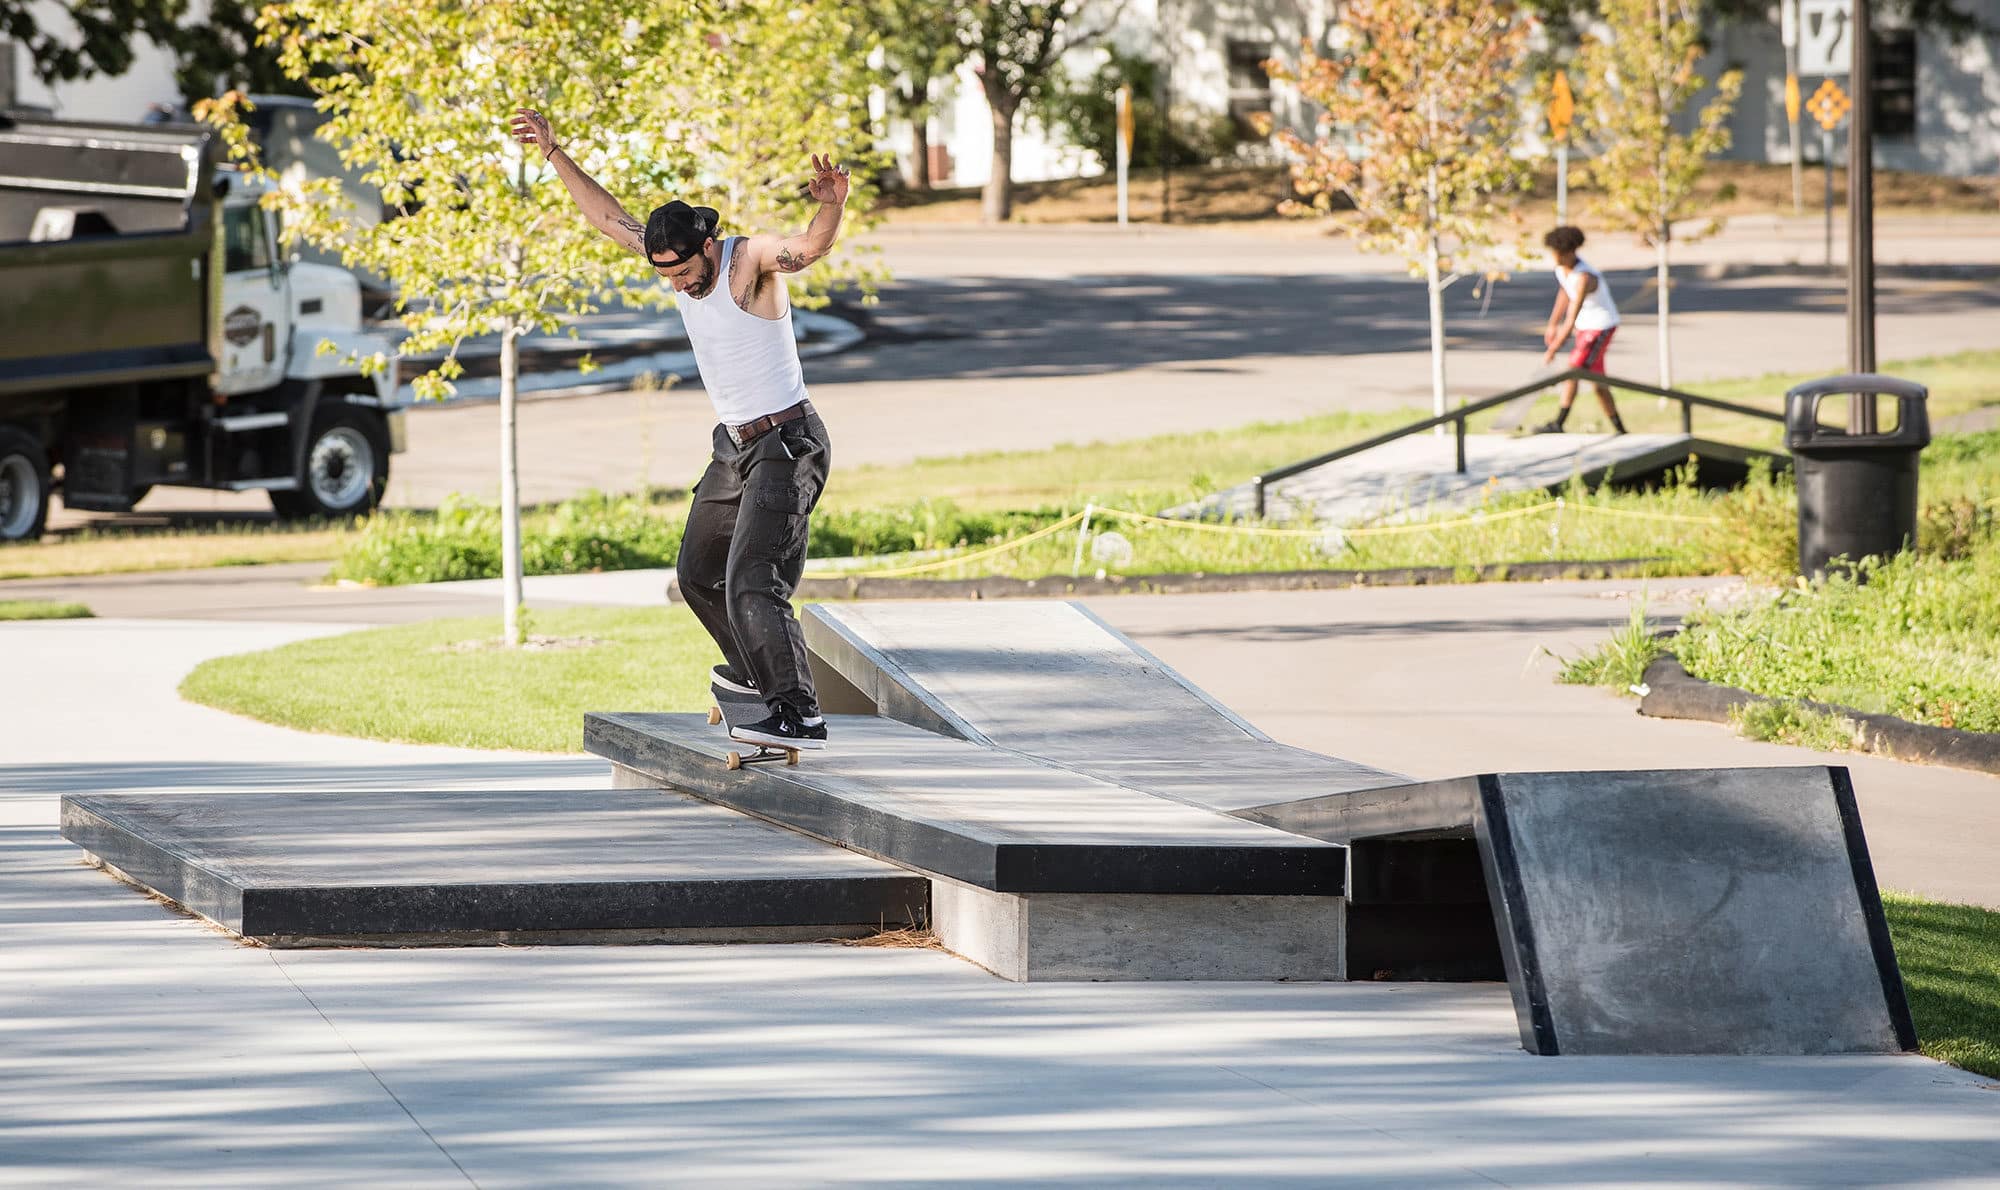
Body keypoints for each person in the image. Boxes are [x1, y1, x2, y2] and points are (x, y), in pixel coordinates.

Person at [509, 107, 845, 751]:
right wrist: (554, 155)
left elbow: (808, 248)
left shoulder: (747, 262)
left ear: (707, 247)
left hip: (788, 444)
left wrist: (830, 207)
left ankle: (798, 709)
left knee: (754, 576)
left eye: (685, 273)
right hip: (734, 447)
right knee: (696, 573)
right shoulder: (670, 257)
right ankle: (757, 681)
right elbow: (608, 217)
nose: (679, 285)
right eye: (665, 275)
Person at [1535, 226, 1627, 435]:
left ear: (1568, 252)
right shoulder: (1562, 269)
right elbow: (1564, 294)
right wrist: (1551, 324)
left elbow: (1571, 318)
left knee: (1573, 369)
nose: (1553, 256)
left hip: (1600, 327)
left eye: (1556, 252)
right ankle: (1621, 430)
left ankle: (1558, 422)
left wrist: (1553, 349)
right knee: (1598, 384)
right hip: (1586, 329)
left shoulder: (1585, 277)